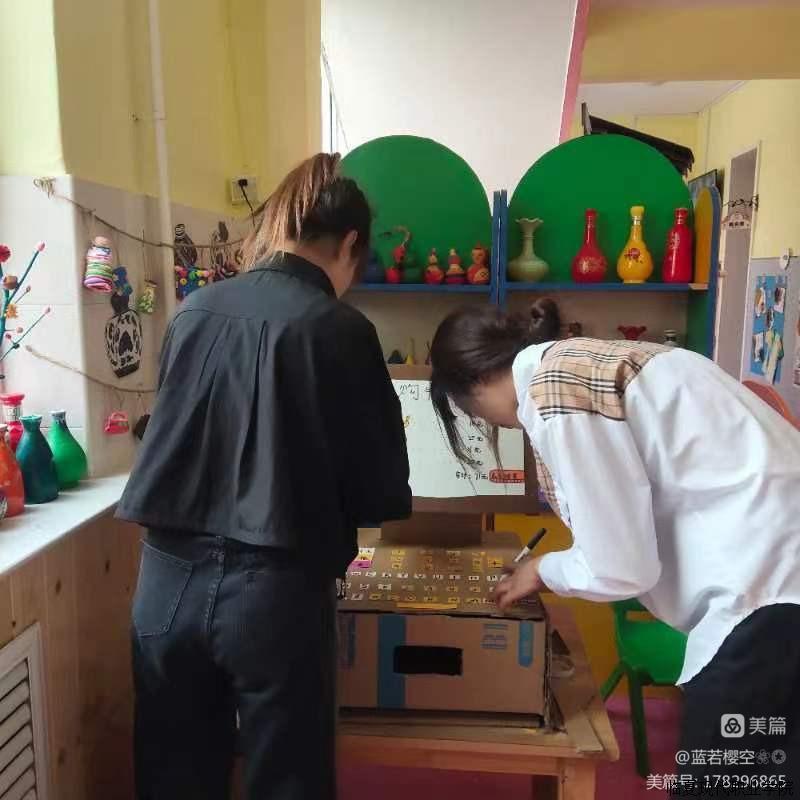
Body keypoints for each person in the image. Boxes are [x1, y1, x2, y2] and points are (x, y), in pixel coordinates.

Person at [117, 153, 411, 800]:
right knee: (287, 778)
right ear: (351, 244)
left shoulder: (194, 310)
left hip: (163, 584)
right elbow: (380, 488)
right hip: (274, 591)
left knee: (172, 774)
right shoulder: (341, 329)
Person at [428, 298, 800, 788]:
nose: (490, 424)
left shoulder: (554, 389)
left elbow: (621, 568)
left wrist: (541, 569)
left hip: (767, 595)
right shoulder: (585, 361)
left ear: (473, 383)